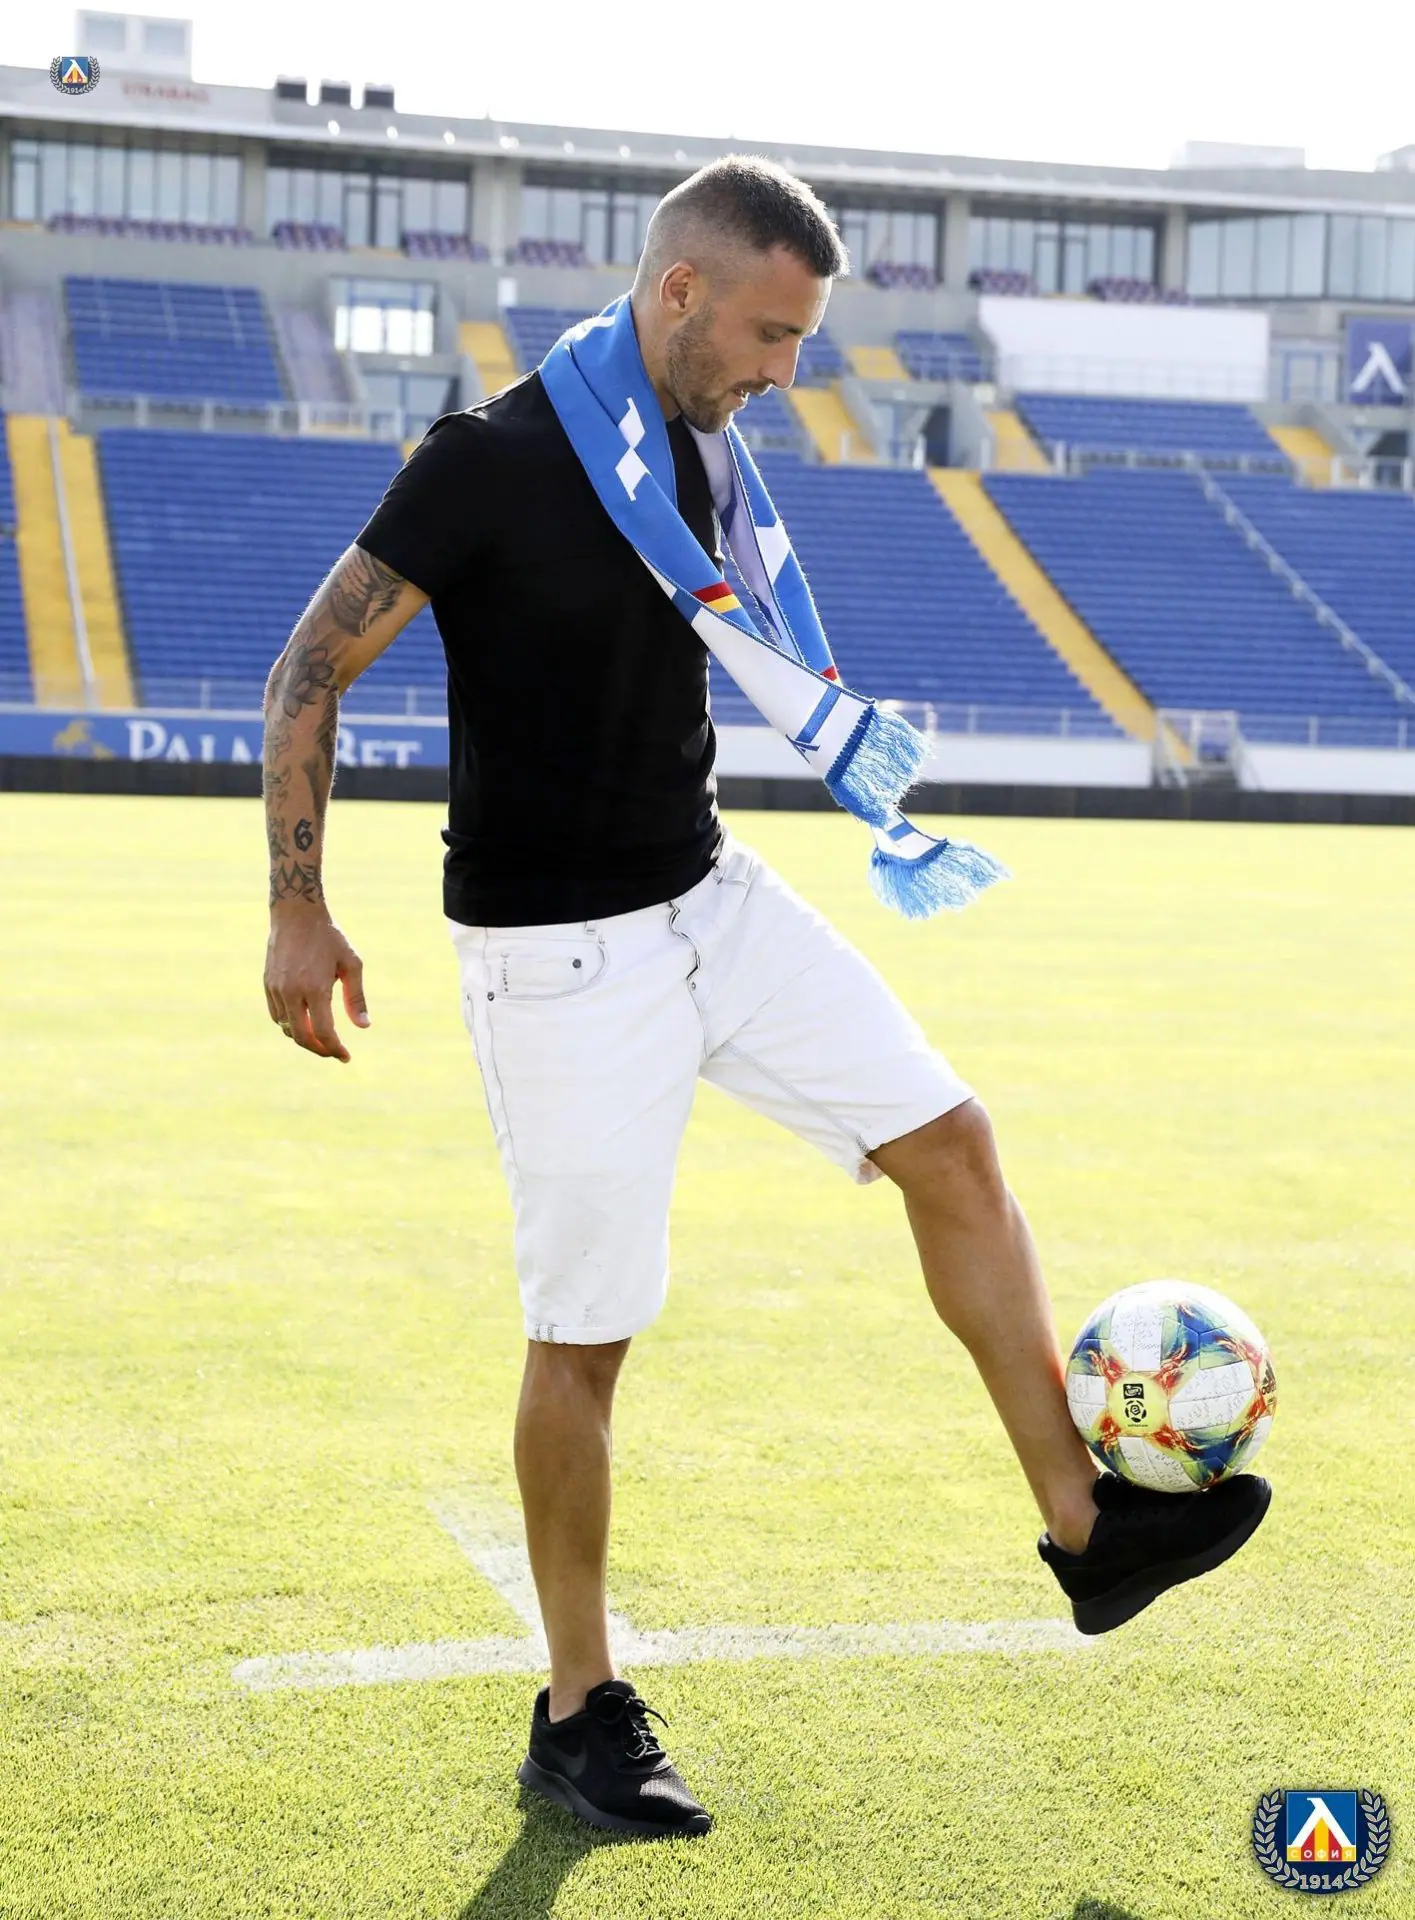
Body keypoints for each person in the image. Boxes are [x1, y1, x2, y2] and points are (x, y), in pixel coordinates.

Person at [261, 156, 1270, 1842]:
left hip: (711, 893)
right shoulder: (489, 459)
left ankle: (1087, 1530)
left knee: (950, 1142)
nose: (787, 371)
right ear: (679, 291)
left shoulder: (700, 453)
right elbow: (309, 666)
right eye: (771, 333)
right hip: (556, 956)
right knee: (585, 1339)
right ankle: (576, 1710)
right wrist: (297, 908)